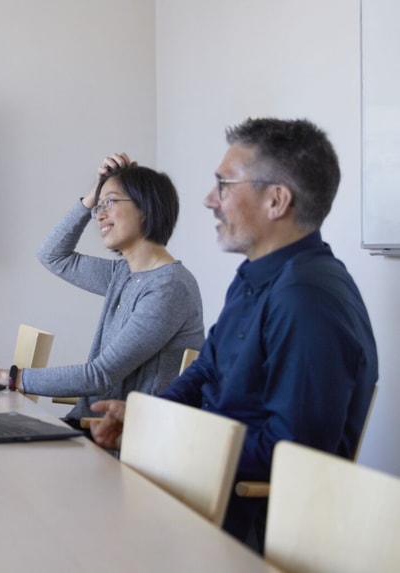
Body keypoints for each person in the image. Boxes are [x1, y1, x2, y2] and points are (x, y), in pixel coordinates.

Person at [89, 118, 378, 552]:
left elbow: (291, 456)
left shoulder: (307, 300)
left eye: (224, 185)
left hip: (244, 534)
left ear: (276, 201)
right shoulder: (256, 276)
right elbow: (205, 371)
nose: (209, 200)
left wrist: (163, 438)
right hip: (202, 497)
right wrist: (146, 416)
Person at [0, 155, 204, 424]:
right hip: (90, 425)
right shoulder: (123, 274)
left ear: (146, 207)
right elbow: (52, 255)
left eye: (110, 203)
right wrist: (94, 192)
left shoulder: (169, 288)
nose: (99, 215)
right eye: (98, 206)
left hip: (121, 443)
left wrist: (2, 376)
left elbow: (99, 375)